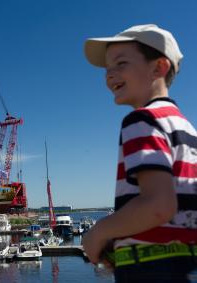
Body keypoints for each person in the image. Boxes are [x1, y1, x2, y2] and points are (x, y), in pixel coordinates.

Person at [82, 24, 197, 282]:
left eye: (120, 63)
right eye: (107, 68)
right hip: (181, 265)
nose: (109, 75)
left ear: (159, 67)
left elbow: (159, 206)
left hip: (146, 270)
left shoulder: (141, 120)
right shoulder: (187, 130)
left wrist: (98, 232)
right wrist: (122, 243)